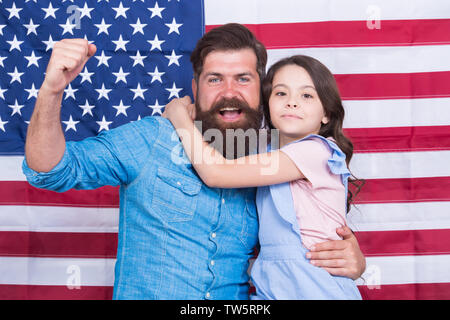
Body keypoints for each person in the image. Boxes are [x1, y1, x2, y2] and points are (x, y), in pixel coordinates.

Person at [23, 23, 365, 299]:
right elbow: (51, 169)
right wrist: (52, 90)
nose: (229, 91)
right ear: (195, 87)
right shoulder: (152, 138)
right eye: (215, 79)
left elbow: (305, 226)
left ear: (260, 89)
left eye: (243, 79)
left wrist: (351, 258)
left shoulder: (270, 158)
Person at [163, 54, 362, 299]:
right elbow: (216, 141)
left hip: (315, 284)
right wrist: (199, 111)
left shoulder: (317, 151)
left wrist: (178, 116)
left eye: (307, 95)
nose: (292, 103)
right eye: (281, 93)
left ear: (326, 115)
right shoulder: (264, 147)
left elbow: (216, 172)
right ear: (267, 105)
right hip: (272, 286)